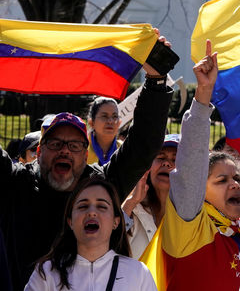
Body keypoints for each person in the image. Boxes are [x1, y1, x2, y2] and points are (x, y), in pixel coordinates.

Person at [0, 34, 173, 291]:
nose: (65, 152)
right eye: (56, 144)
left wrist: (157, 82)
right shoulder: (15, 182)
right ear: (39, 150)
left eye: (74, 146)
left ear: (85, 154)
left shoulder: (101, 184)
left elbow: (143, 145)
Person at [149, 40, 240, 290]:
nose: (235, 185)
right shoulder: (190, 227)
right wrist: (203, 95)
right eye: (222, 180)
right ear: (201, 191)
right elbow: (189, 166)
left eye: (238, 179)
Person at [24, 177, 157, 291]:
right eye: (83, 206)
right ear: (70, 222)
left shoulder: (138, 273)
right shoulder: (47, 272)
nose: (92, 212)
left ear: (115, 222)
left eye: (102, 206)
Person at [121, 134, 180, 259]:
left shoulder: (192, 217)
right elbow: (105, 244)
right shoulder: (131, 208)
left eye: (175, 160)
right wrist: (131, 203)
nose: (166, 164)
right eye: (160, 157)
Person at [86, 97, 122, 165]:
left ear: (119, 122)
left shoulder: (125, 150)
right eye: (104, 116)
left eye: (114, 116)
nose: (110, 121)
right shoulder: (81, 150)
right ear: (91, 122)